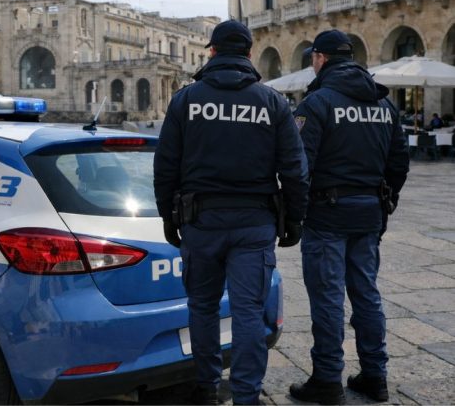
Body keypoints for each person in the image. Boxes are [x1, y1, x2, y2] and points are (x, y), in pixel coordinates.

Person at [154, 20, 309, 405]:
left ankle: (206, 387)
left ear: (211, 52)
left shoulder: (186, 100)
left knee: (203, 308)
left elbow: (165, 166)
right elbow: (294, 167)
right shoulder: (271, 101)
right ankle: (246, 396)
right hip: (255, 223)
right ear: (249, 53)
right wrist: (294, 220)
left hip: (200, 221)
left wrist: (168, 217)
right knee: (248, 313)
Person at [288, 30, 409, 404]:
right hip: (368, 212)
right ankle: (375, 375)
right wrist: (383, 200)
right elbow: (399, 163)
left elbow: (298, 167)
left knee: (327, 299)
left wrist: (294, 214)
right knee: (367, 295)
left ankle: (326, 378)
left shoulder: (318, 103)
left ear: (320, 59)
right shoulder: (383, 104)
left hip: (327, 215)